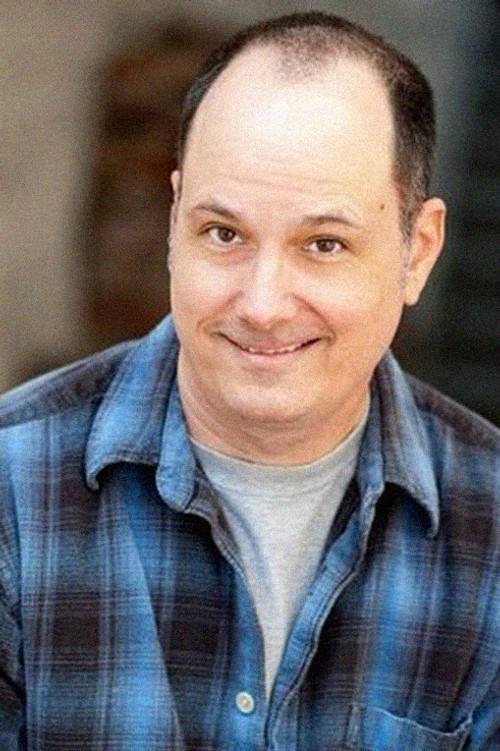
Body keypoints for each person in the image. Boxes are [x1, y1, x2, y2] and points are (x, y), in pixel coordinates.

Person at [0, 10, 499, 750]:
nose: (263, 306)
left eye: (324, 244)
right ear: (175, 220)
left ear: (417, 252)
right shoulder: (11, 491)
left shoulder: (491, 531)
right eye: (224, 234)